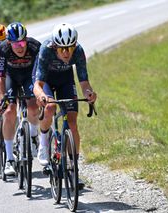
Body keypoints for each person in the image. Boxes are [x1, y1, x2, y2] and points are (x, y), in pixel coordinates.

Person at [33, 23, 97, 168]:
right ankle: (43, 142)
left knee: (73, 123)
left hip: (65, 80)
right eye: (62, 49)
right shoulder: (46, 49)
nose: (67, 53)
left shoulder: (79, 51)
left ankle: (73, 167)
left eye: (70, 48)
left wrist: (89, 94)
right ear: (55, 47)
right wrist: (42, 96)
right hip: (46, 80)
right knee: (50, 107)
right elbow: (38, 84)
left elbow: (84, 82)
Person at [0, 22, 41, 176]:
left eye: (22, 42)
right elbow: (0, 77)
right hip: (11, 77)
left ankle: (34, 135)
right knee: (9, 112)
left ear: (26, 39)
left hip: (30, 77)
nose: (20, 47)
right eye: (16, 44)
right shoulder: (3, 49)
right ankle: (9, 160)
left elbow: (40, 74)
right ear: (9, 42)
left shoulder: (35, 47)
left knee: (34, 107)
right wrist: (2, 98)